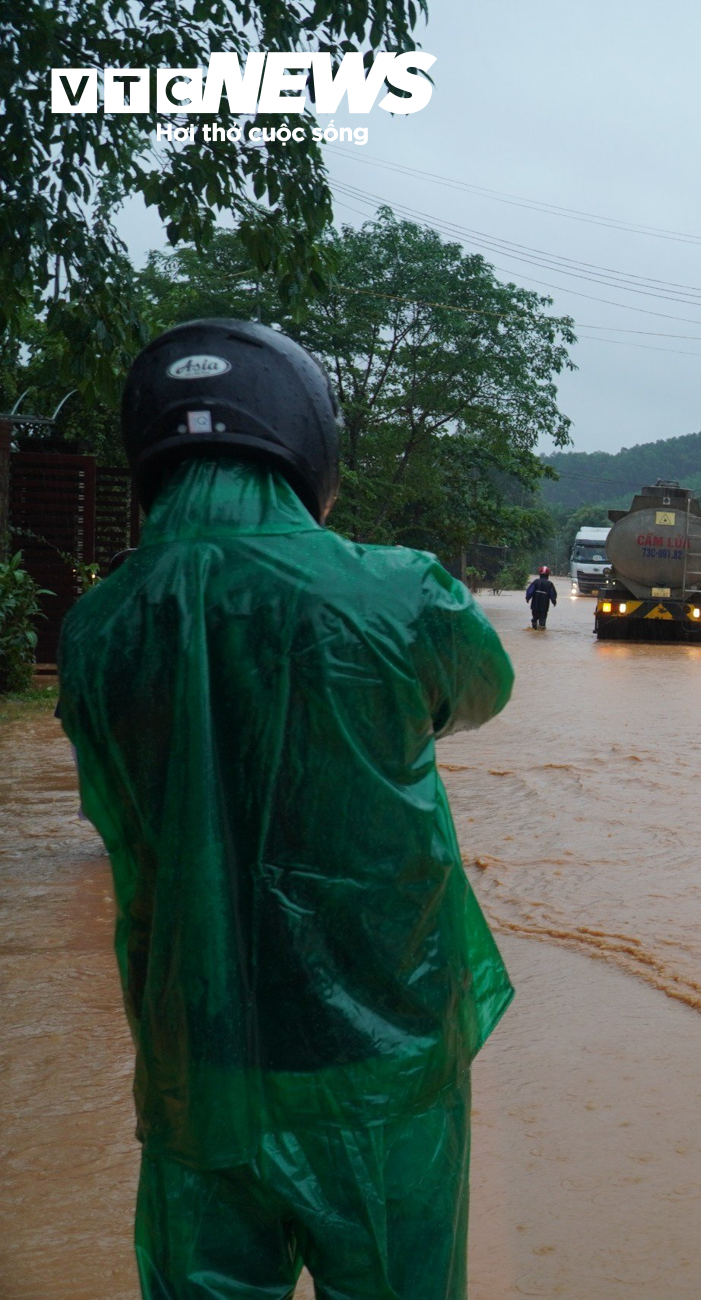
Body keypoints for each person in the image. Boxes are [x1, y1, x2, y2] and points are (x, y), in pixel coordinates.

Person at [58, 319, 515, 1300]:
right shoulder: (399, 596)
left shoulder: (98, 630)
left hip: (198, 1063)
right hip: (380, 1059)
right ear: (307, 454)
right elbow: (480, 690)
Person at [525, 565, 559, 629]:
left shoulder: (535, 582)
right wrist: (554, 601)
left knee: (535, 616)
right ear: (548, 575)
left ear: (539, 574)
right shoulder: (550, 584)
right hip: (544, 606)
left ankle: (534, 623)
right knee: (542, 621)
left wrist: (527, 598)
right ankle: (541, 632)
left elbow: (530, 591)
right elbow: (552, 595)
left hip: (534, 605)